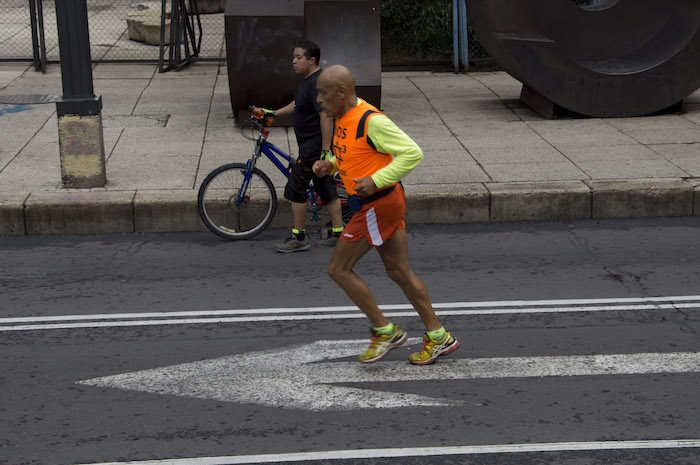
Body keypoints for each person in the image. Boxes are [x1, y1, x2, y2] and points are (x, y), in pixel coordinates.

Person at [312, 65, 459, 365]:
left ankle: (385, 331)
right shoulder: (342, 117)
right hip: (385, 202)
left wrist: (376, 180)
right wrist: (332, 166)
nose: (318, 100)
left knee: (338, 269)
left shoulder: (371, 121)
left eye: (323, 93)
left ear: (342, 92)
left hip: (377, 203)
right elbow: (357, 156)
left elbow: (412, 152)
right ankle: (438, 335)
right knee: (399, 272)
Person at [258, 40, 344, 253]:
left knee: (296, 188)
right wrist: (273, 113)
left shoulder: (317, 83)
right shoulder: (309, 81)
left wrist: (325, 151)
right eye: (293, 57)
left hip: (314, 146)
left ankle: (299, 237)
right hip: (310, 144)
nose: (293, 61)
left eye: (298, 57)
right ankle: (339, 233)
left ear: (311, 60)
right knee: (326, 188)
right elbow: (298, 104)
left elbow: (326, 117)